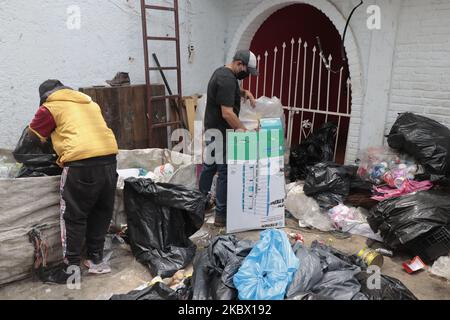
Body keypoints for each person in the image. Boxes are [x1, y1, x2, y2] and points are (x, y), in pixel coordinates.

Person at [28, 79, 119, 284]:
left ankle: (71, 270)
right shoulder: (89, 104)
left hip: (81, 166)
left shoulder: (50, 108)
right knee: (100, 211)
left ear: (44, 97)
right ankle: (96, 260)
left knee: (73, 216)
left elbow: (30, 141)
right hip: (109, 162)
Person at [199, 50, 258, 227]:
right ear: (239, 64)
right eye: (246, 71)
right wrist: (242, 129)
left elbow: (225, 93)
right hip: (220, 133)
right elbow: (227, 113)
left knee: (209, 167)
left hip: (212, 130)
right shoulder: (226, 79)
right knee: (223, 172)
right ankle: (221, 216)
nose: (246, 75)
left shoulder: (222, 73)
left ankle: (198, 206)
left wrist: (242, 92)